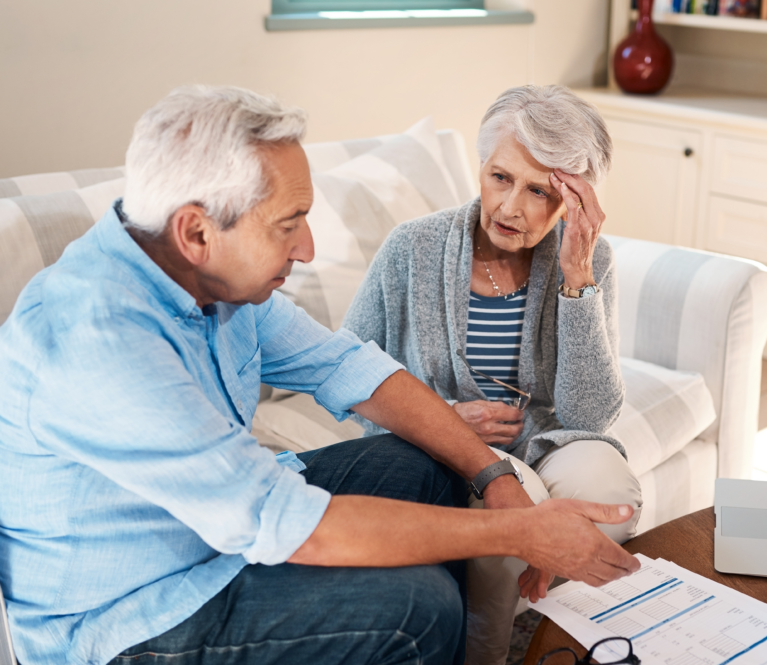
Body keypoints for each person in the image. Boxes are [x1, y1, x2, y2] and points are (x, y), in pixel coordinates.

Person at [0, 85, 641, 665]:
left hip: (210, 540)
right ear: (196, 230)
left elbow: (347, 364)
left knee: (425, 465)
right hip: (132, 613)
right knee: (419, 612)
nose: (306, 248)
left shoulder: (207, 278)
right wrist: (518, 528)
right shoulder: (100, 343)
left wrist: (493, 474)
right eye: (289, 224)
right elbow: (277, 518)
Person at [343, 85, 644, 665]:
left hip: (544, 443)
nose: (510, 208)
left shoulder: (587, 259)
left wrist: (576, 275)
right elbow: (346, 374)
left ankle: (561, 642)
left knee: (610, 491)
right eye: (500, 178)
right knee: (517, 505)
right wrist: (444, 417)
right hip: (447, 452)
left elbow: (591, 415)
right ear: (481, 167)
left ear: (572, 201)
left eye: (538, 191)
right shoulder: (414, 247)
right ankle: (487, 652)